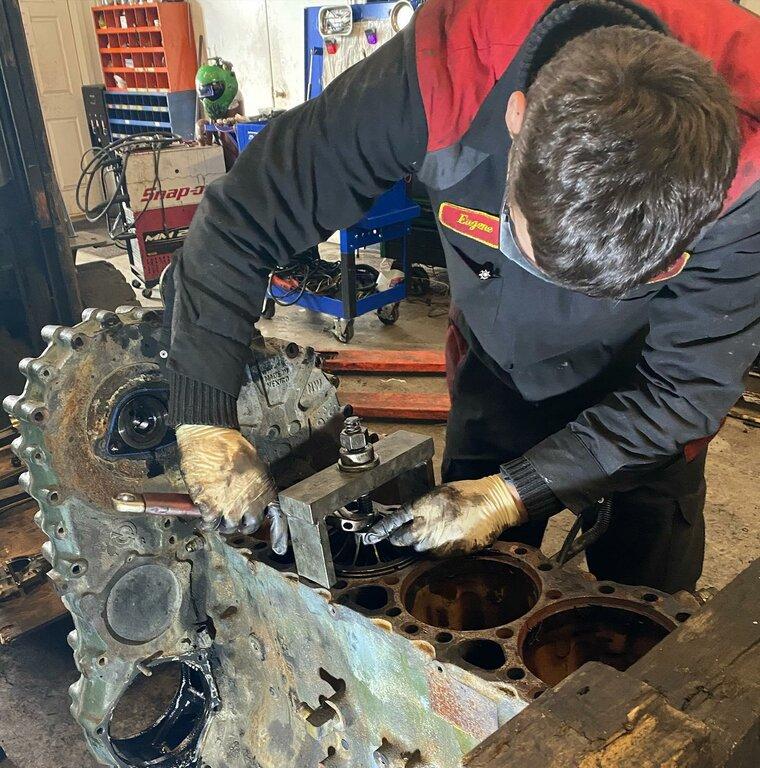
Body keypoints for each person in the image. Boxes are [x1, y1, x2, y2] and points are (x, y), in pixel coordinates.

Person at [166, 0, 760, 593]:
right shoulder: (447, 63)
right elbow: (245, 216)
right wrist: (203, 415)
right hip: (499, 372)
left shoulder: (751, 164)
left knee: (647, 604)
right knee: (463, 586)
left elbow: (686, 388)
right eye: (528, 251)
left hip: (646, 398)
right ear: (516, 116)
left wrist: (512, 493)